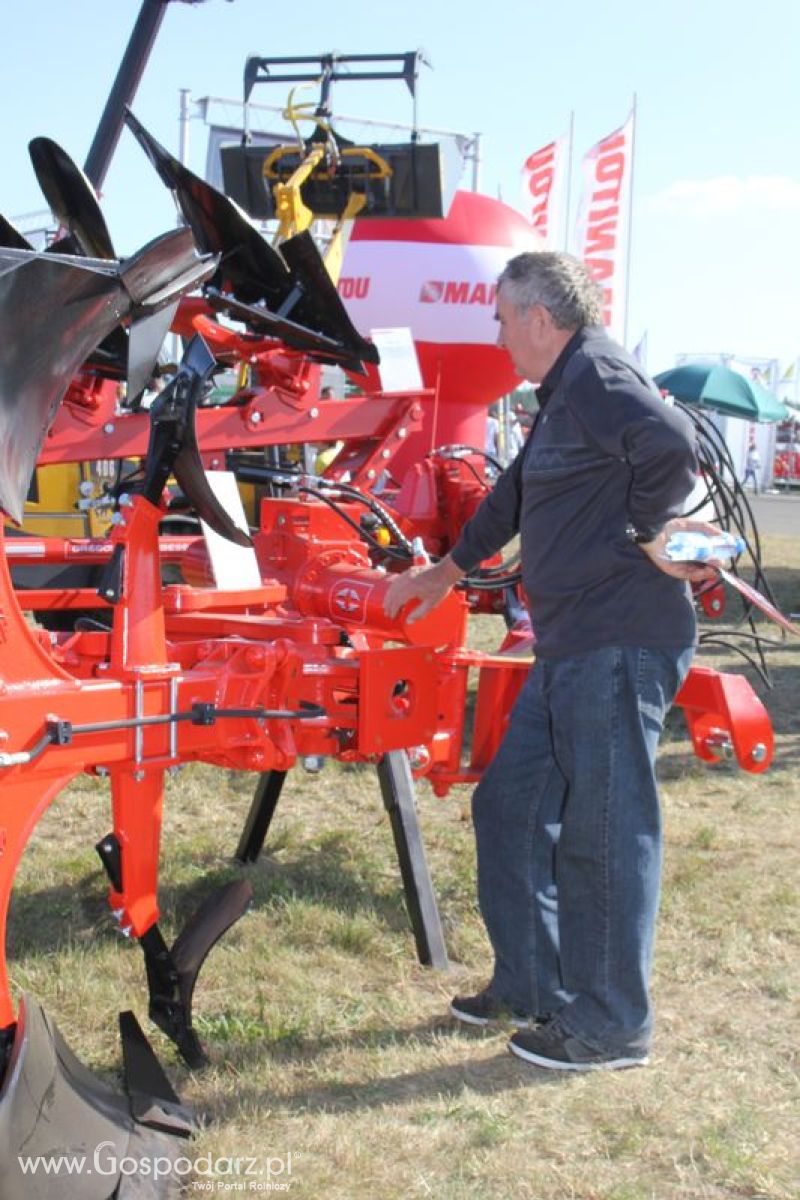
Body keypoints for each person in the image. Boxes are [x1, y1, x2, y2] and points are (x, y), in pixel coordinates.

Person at [384, 251, 721, 1072]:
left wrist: (643, 531)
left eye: (502, 318)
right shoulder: (566, 391)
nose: (496, 335)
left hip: (617, 643)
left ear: (541, 317)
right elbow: (514, 495)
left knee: (604, 833)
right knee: (509, 806)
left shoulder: (600, 376)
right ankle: (535, 984)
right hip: (572, 644)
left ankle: (610, 1027)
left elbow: (674, 444)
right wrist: (445, 571)